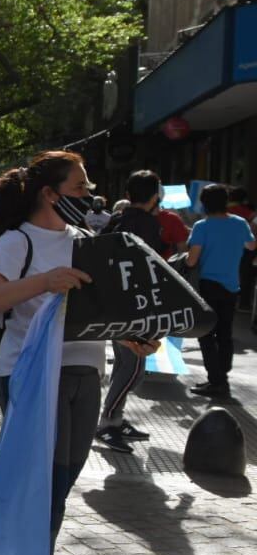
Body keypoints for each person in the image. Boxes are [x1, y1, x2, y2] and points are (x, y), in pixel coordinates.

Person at [0, 151, 154, 555]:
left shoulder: (86, 243)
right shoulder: (18, 241)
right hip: (30, 376)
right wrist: (43, 282)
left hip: (83, 372)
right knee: (41, 490)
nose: (90, 192)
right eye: (80, 185)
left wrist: (134, 336)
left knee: (61, 484)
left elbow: (104, 308)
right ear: (50, 193)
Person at [94, 171, 163, 453]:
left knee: (126, 365)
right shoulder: (148, 224)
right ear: (155, 195)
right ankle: (106, 422)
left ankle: (116, 419)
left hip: (115, 304)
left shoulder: (116, 219)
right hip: (136, 306)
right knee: (133, 368)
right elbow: (151, 266)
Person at [186, 183, 256, 399]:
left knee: (206, 333)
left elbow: (192, 260)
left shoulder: (201, 226)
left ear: (204, 204)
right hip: (232, 286)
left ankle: (215, 381)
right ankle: (221, 379)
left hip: (208, 285)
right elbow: (251, 246)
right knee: (225, 334)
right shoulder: (240, 223)